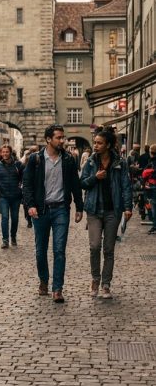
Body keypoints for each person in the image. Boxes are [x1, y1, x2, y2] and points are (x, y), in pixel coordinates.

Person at [23, 125, 83, 303]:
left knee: (59, 250)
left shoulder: (68, 159)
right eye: (59, 137)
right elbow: (27, 185)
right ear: (48, 139)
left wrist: (79, 207)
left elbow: (75, 184)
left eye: (63, 137)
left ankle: (57, 289)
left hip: (60, 210)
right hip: (41, 210)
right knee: (40, 251)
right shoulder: (35, 160)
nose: (62, 141)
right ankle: (43, 281)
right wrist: (30, 205)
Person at [80, 128, 132, 299]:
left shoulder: (120, 163)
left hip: (112, 211)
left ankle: (106, 284)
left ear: (108, 145)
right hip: (94, 210)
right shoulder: (90, 162)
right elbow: (83, 183)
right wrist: (95, 177)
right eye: (95, 142)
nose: (95, 145)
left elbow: (126, 185)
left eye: (99, 143)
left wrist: (127, 207)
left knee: (109, 250)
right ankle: (95, 279)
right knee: (94, 246)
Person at [0, 145, 23, 249]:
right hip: (3, 196)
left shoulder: (18, 165)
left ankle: (13, 236)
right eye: (3, 152)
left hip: (16, 196)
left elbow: (23, 179)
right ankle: (5, 240)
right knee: (5, 218)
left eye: (7, 152)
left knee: (14, 218)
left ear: (10, 153)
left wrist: (21, 189)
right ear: (1, 153)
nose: (5, 154)